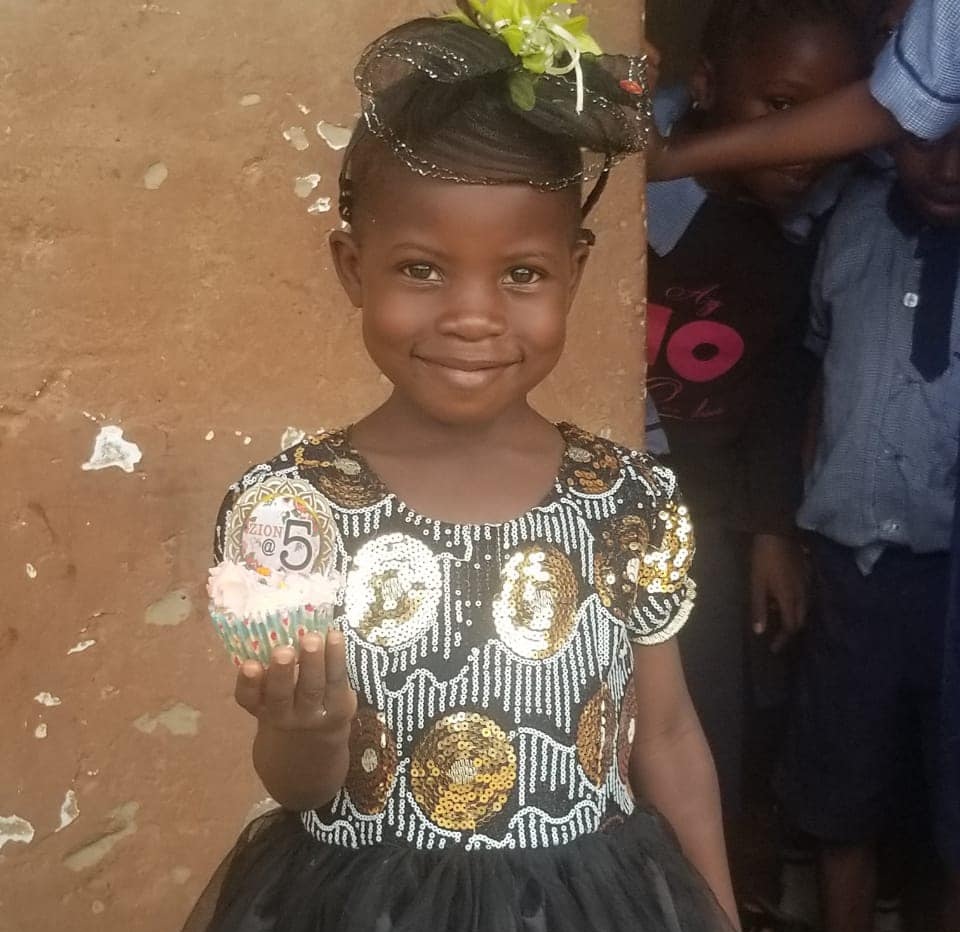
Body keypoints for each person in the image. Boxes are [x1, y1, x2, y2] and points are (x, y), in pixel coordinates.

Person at [184, 7, 739, 931]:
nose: (473, 316)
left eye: (521, 274)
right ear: (353, 268)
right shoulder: (291, 511)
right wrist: (305, 726)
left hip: (586, 904)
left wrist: (718, 912)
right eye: (422, 269)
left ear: (575, 269)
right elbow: (299, 789)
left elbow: (670, 735)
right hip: (367, 906)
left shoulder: (625, 500)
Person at [645, 0, 866, 828]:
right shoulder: (633, 201)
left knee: (705, 715)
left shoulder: (804, 232)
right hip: (607, 486)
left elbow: (779, 384)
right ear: (705, 85)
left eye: (830, 115)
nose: (804, 144)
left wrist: (773, 525)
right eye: (779, 107)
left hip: (708, 505)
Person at [775, 124, 960, 932]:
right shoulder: (851, 220)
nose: (947, 167)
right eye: (927, 139)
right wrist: (801, 526)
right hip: (854, 574)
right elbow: (820, 373)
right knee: (839, 793)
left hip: (951, 579)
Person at [647, 0, 960, 180]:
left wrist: (670, 157)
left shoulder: (831, 229)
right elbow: (898, 104)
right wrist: (668, 157)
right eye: (782, 105)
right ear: (705, 84)